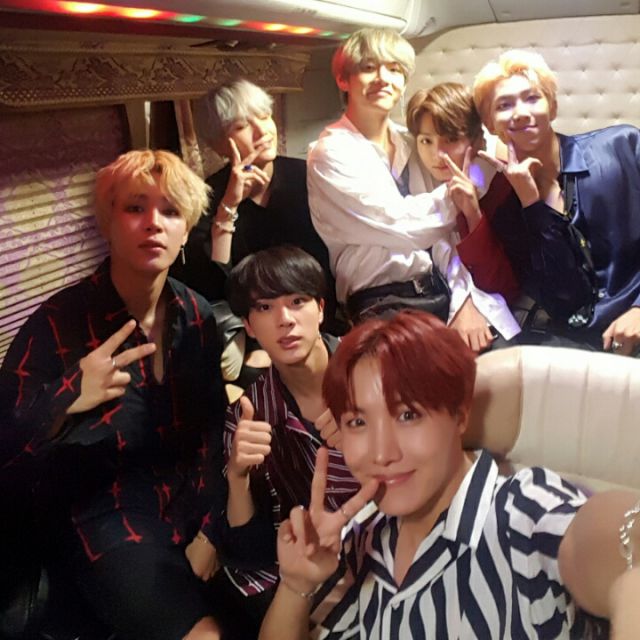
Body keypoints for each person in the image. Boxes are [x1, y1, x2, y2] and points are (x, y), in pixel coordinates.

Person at [258, 310, 640, 640]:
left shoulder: (521, 510)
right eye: (358, 422)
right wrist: (296, 585)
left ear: (459, 415)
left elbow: (615, 546)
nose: (382, 453)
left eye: (408, 415)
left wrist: (629, 552)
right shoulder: (363, 539)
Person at [0, 150, 228, 640]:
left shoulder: (196, 313)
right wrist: (68, 396)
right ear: (108, 223)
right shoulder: (58, 323)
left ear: (186, 231)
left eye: (170, 211)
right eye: (135, 207)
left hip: (190, 498)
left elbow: (214, 426)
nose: (154, 223)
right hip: (106, 514)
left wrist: (213, 526)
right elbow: (6, 447)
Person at [307, 27, 520, 353]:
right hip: (382, 301)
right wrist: (465, 189)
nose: (383, 78)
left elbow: (446, 236)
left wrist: (465, 300)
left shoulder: (411, 141)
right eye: (369, 67)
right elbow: (404, 226)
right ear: (343, 79)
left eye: (394, 69)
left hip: (437, 288)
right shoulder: (331, 153)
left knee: (506, 356)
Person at [192, 245, 357, 638]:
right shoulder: (253, 412)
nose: (285, 320)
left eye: (297, 301)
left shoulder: (371, 371)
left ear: (321, 308)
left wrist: (369, 435)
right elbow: (250, 550)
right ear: (248, 326)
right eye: (265, 308)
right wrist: (238, 476)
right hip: (310, 564)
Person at [171, 79, 342, 387]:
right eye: (241, 126)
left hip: (321, 316)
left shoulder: (310, 176)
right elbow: (211, 285)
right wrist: (228, 207)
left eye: (264, 116)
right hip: (256, 330)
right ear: (218, 144)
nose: (262, 130)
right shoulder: (208, 197)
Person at [473, 49, 640, 355]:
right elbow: (566, 297)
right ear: (490, 123)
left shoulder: (623, 147)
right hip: (584, 343)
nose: (520, 113)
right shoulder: (507, 213)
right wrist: (532, 205)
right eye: (504, 105)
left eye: (532, 98)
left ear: (552, 107)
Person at [405, 82, 594, 322]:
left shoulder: (501, 186)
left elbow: (505, 287)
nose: (437, 154)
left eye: (451, 139)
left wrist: (473, 216)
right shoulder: (418, 185)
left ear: (476, 139)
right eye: (426, 141)